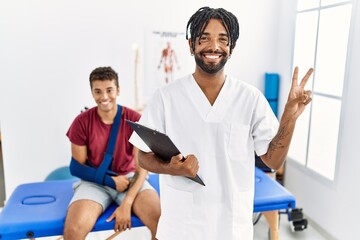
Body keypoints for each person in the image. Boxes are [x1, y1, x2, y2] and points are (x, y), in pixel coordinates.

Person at [129, 6, 313, 240]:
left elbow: (273, 160)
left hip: (231, 226)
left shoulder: (250, 98)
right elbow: (143, 156)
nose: (213, 46)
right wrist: (171, 168)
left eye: (222, 39)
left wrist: (289, 117)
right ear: (191, 45)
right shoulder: (166, 97)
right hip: (182, 226)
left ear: (231, 48)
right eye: (204, 38)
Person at [64, 66, 161, 240]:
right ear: (92, 93)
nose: (104, 97)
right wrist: (109, 180)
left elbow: (142, 169)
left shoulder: (135, 120)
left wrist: (127, 203)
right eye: (98, 91)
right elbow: (76, 168)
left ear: (118, 90)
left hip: (130, 179)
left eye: (109, 90)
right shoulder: (81, 122)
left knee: (161, 224)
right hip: (95, 183)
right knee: (73, 231)